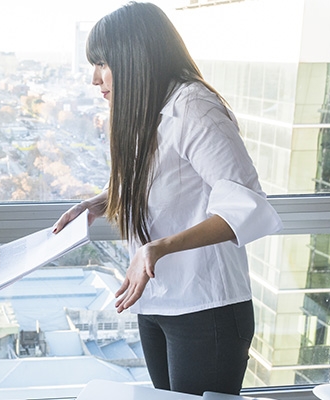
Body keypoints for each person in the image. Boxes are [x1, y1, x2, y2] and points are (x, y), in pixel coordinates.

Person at [53, 2, 282, 396]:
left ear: (135, 56)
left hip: (205, 308)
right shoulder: (148, 109)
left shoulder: (194, 107)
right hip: (158, 302)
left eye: (103, 63)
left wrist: (157, 249)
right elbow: (162, 181)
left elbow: (246, 207)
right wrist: (99, 202)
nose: (95, 78)